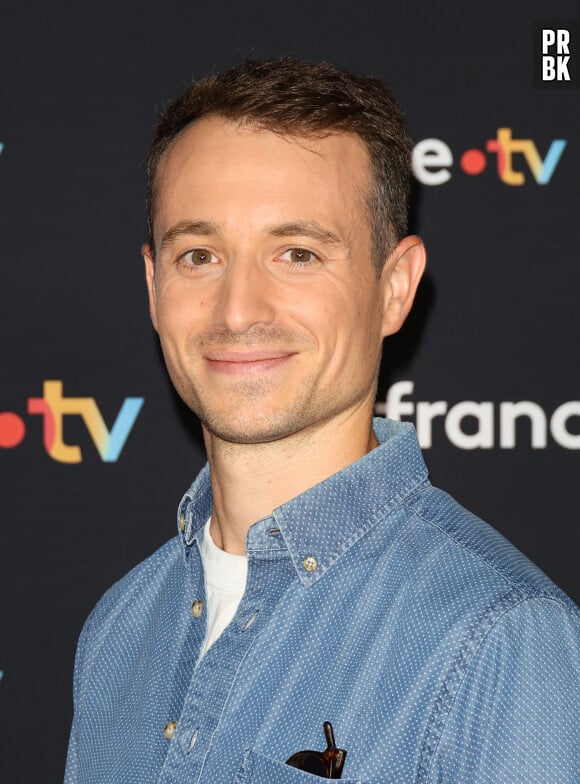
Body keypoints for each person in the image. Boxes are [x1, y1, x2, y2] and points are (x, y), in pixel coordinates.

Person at [64, 59, 579, 784]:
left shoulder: (499, 638)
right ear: (153, 287)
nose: (238, 309)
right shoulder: (118, 631)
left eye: (297, 254)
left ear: (394, 288)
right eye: (200, 255)